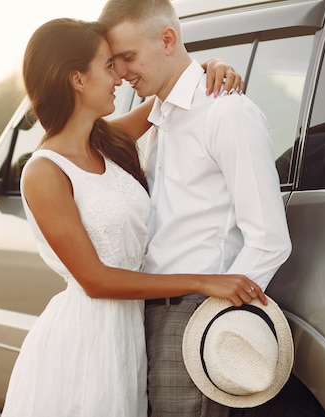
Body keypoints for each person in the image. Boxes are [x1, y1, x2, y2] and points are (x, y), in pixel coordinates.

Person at [0, 18, 263, 417]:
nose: (120, 77)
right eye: (108, 66)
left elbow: (172, 94)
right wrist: (204, 281)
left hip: (129, 332)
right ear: (77, 79)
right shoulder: (44, 172)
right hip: (86, 339)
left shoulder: (106, 141)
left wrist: (210, 67)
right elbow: (95, 279)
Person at [98, 1, 293, 416]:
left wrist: (214, 320)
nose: (122, 72)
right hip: (145, 315)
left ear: (168, 39)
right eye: (114, 61)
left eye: (128, 57)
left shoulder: (226, 112)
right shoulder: (160, 115)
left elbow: (269, 239)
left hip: (194, 315)